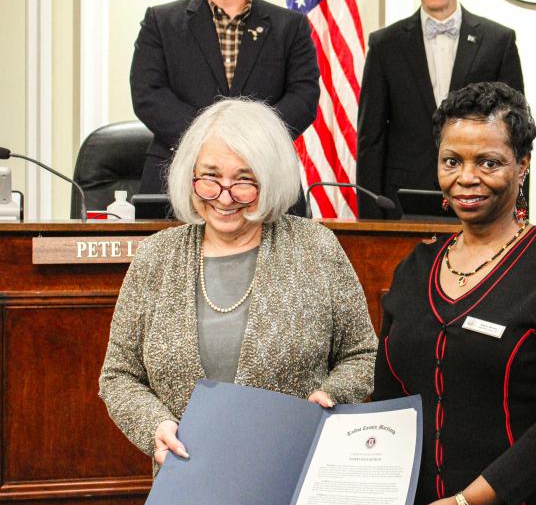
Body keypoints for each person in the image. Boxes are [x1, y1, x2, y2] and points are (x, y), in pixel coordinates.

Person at [373, 82, 536, 505]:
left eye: (489, 162)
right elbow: (388, 399)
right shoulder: (414, 268)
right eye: (452, 161)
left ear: (522, 166)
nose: (466, 177)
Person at [99, 99, 377, 469]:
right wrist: (155, 425)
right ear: (190, 175)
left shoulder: (317, 247)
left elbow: (362, 355)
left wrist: (330, 395)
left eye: (244, 181)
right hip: (188, 479)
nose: (224, 196)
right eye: (210, 177)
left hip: (294, 470)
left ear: (271, 178)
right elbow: (119, 375)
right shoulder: (156, 257)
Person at [130, 0, 321, 203]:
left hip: (266, 172)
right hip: (179, 172)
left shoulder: (290, 26)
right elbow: (148, 95)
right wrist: (211, 142)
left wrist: (251, 142)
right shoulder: (161, 21)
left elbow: (304, 97)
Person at [357, 0, 524, 219]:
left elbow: (516, 132)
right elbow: (371, 138)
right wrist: (370, 217)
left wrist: (518, 210)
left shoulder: (498, 41)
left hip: (481, 194)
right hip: (402, 200)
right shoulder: (385, 45)